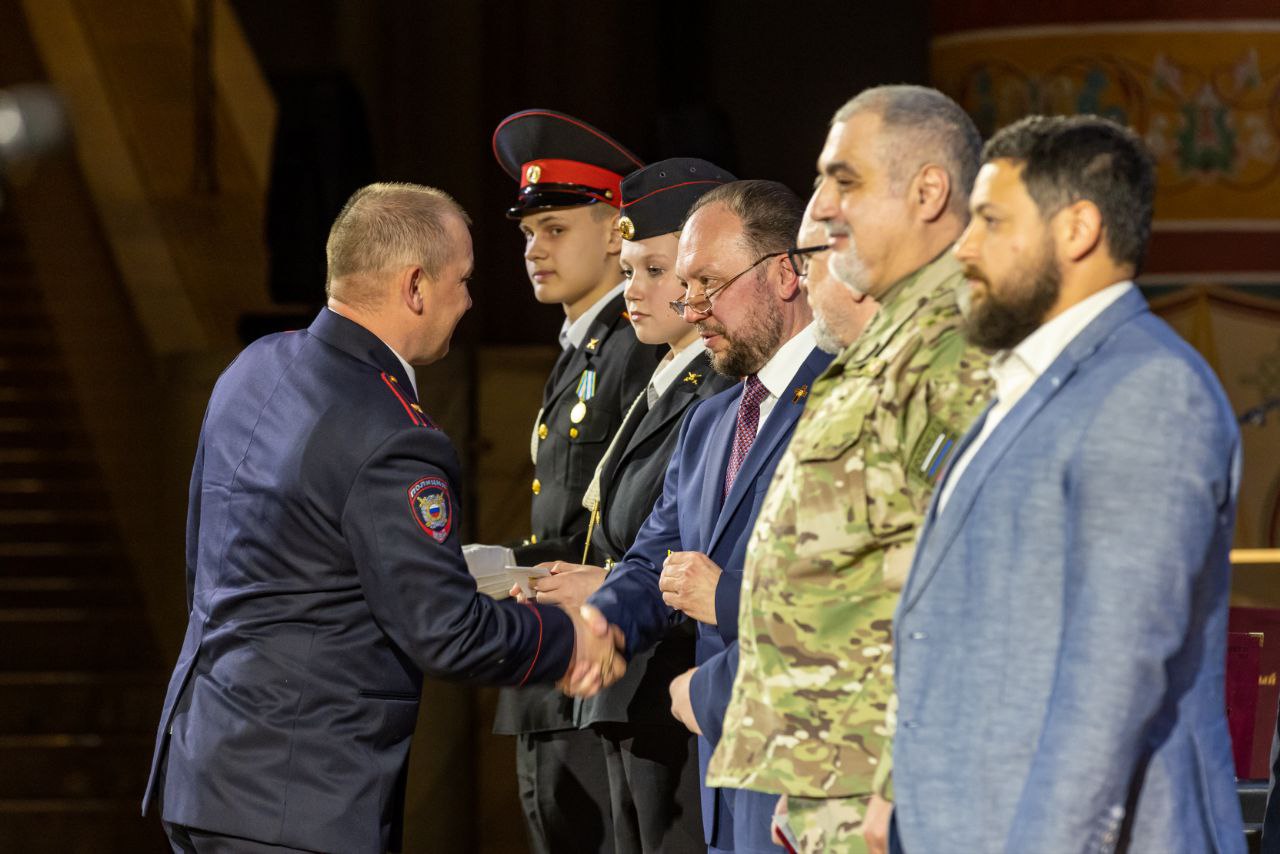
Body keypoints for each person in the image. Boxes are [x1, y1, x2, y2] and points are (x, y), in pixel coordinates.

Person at [141, 183, 619, 854]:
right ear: (416, 286)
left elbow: (241, 560)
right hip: (301, 799)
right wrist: (570, 639)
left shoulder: (252, 369)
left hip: (204, 771)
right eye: (462, 280)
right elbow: (445, 632)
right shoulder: (393, 432)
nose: (470, 300)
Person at [892, 115, 1246, 852]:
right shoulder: (1025, 383)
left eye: (991, 220)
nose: (964, 246)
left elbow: (1110, 677)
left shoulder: (1148, 389)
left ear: (1078, 228)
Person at [706, 85, 992, 854]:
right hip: (823, 792)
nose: (823, 207)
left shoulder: (954, 353)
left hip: (889, 806)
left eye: (847, 180)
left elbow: (963, 597)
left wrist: (896, 792)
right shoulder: (881, 355)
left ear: (929, 191)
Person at [574, 179, 833, 853]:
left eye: (710, 283)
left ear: (784, 273)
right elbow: (654, 558)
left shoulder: (843, 403)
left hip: (811, 773)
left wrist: (724, 595)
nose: (694, 309)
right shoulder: (712, 418)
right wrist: (604, 621)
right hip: (722, 776)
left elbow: (856, 600)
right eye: (685, 286)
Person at [524, 157, 738, 853]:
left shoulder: (716, 393)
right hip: (627, 682)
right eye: (630, 272)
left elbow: (693, 548)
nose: (633, 293)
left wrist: (609, 589)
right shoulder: (668, 385)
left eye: (655, 271)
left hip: (671, 683)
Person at [488, 108, 665, 854]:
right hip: (552, 660)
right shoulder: (579, 349)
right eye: (528, 233)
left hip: (598, 661)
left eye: (556, 228)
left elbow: (634, 518)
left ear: (616, 230)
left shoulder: (632, 345)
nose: (535, 249)